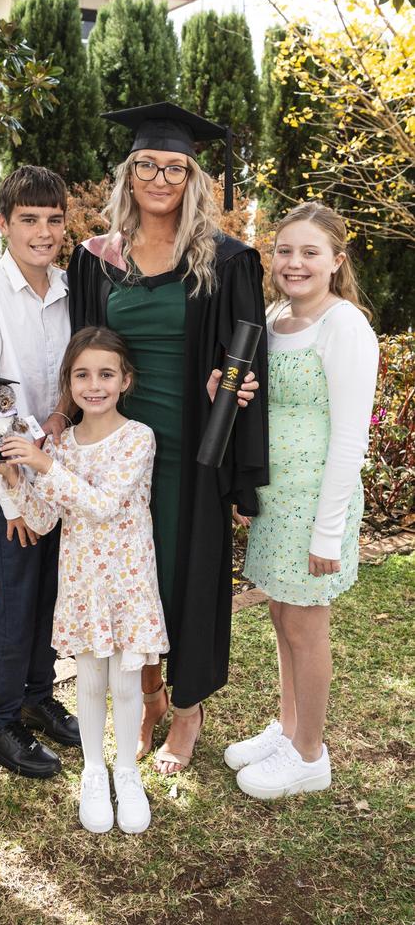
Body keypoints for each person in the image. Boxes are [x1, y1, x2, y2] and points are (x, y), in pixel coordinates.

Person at [64, 102, 268, 774]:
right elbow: (83, 352)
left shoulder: (227, 260)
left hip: (189, 446)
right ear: (129, 174)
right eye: (146, 164)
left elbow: (248, 360)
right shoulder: (97, 261)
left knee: (185, 574)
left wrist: (234, 404)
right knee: (132, 578)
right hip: (119, 446)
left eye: (173, 167)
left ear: (192, 177)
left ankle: (188, 708)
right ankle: (148, 695)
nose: (159, 177)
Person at [0, 327, 169, 833]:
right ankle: (93, 771)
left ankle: (126, 773)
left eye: (106, 374)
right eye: (82, 374)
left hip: (128, 583)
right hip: (83, 584)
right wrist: (14, 477)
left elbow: (104, 504)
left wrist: (44, 461)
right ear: (69, 381)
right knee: (89, 681)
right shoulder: (61, 447)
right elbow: (43, 519)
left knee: (126, 685)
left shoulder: (137, 438)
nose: (94, 384)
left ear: (125, 380)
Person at [225, 202, 379, 799]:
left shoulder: (346, 327)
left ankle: (310, 754)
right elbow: (262, 404)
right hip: (276, 496)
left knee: (307, 622)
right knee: (281, 612)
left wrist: (327, 530)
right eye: (285, 250)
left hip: (316, 500)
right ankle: (288, 730)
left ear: (337, 261)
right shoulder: (275, 317)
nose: (294, 262)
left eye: (310, 252)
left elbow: (349, 437)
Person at [0, 166, 81, 780]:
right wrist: (14, 499)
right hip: (4, 483)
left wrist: (58, 416)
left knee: (48, 596)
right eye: (29, 219)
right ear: (3, 225)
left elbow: (65, 384)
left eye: (54, 219)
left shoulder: (66, 290)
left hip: (53, 473)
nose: (43, 231)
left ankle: (36, 695)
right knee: (15, 599)